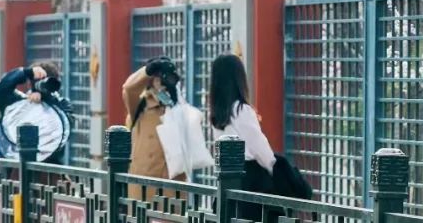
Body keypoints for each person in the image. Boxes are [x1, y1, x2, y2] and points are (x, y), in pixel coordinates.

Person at [209, 53, 310, 222]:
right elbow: (260, 149)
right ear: (238, 79)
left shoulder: (217, 114)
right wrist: (277, 171)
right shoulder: (241, 110)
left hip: (228, 181)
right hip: (253, 183)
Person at [123, 56, 184, 199]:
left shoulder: (178, 105)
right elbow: (128, 89)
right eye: (158, 78)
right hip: (143, 186)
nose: (162, 82)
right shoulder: (140, 105)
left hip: (171, 185)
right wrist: (148, 70)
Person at [0, 62, 73, 163]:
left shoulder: (62, 105)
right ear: (30, 82)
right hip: (15, 166)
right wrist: (25, 72)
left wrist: (45, 98)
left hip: (49, 169)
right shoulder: (18, 104)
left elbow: (65, 128)